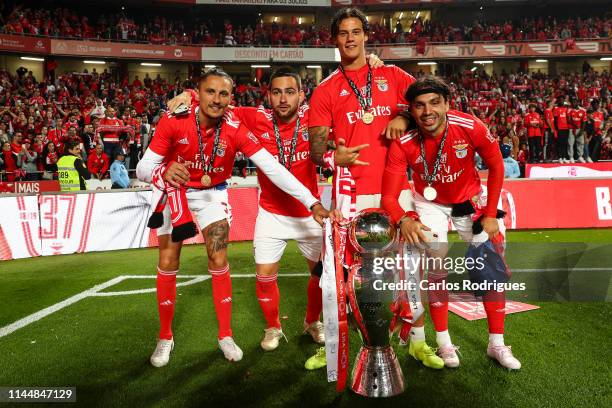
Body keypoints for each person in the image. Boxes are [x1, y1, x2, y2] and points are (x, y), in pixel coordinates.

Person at [136, 68, 330, 368]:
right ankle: (165, 337)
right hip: (172, 190)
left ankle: (225, 335)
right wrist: (162, 171)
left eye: (223, 93)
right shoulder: (174, 121)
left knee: (218, 257)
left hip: (212, 193)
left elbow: (273, 168)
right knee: (167, 260)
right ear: (197, 94)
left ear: (231, 98)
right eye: (210, 92)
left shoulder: (236, 127)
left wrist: (312, 201)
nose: (216, 99)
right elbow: (143, 168)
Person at [307, 7, 444, 370]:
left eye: (356, 32)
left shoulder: (392, 74)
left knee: (409, 268)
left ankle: (418, 341)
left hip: (394, 191)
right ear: (334, 40)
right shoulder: (324, 90)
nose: (350, 39)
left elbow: (426, 108)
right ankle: (334, 346)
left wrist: (402, 114)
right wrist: (335, 156)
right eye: (343, 33)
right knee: (340, 275)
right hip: (349, 194)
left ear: (366, 36)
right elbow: (315, 151)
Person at [381, 76, 521, 370]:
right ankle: (444, 343)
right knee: (436, 264)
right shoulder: (403, 143)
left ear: (447, 104)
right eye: (419, 106)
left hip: (470, 201)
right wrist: (403, 218)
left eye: (434, 103)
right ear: (411, 110)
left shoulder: (470, 126)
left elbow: (496, 165)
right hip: (429, 204)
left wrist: (491, 213)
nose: (427, 111)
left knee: (491, 269)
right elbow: (389, 198)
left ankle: (496, 344)